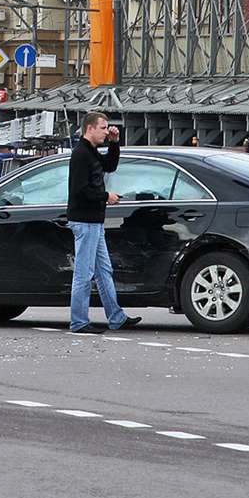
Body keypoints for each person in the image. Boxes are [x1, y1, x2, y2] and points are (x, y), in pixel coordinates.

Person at [67, 112, 141, 333]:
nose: (106, 131)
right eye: (103, 128)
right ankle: (79, 321)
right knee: (84, 273)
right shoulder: (80, 154)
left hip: (95, 221)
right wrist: (105, 196)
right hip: (85, 220)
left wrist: (114, 143)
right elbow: (80, 190)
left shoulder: (91, 152)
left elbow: (109, 166)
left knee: (103, 270)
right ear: (90, 128)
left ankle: (116, 316)